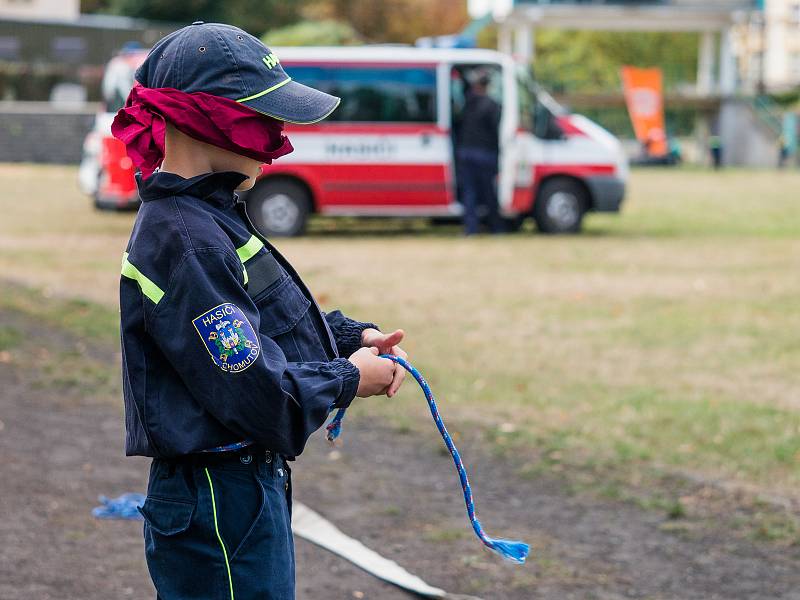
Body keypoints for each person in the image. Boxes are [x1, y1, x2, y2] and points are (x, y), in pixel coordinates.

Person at [112, 22, 408, 600]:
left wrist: (349, 336)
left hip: (243, 488)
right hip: (218, 502)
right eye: (264, 119)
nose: (277, 140)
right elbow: (255, 393)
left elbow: (262, 318)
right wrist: (349, 379)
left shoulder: (213, 218)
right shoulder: (186, 240)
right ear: (209, 119)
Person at [454, 69, 503, 235]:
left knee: (470, 193)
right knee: (489, 192)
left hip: (466, 153)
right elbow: (496, 132)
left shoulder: (467, 103)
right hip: (485, 154)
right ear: (487, 86)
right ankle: (495, 227)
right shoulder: (493, 105)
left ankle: (471, 228)